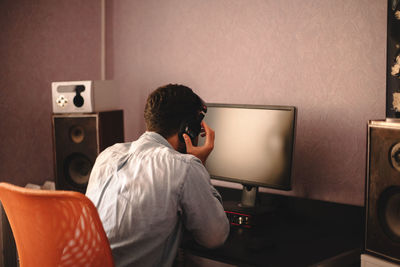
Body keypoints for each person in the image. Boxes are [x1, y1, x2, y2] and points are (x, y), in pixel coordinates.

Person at [85, 84, 230, 267]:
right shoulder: (184, 167)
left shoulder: (107, 155)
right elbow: (215, 237)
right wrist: (200, 166)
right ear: (188, 129)